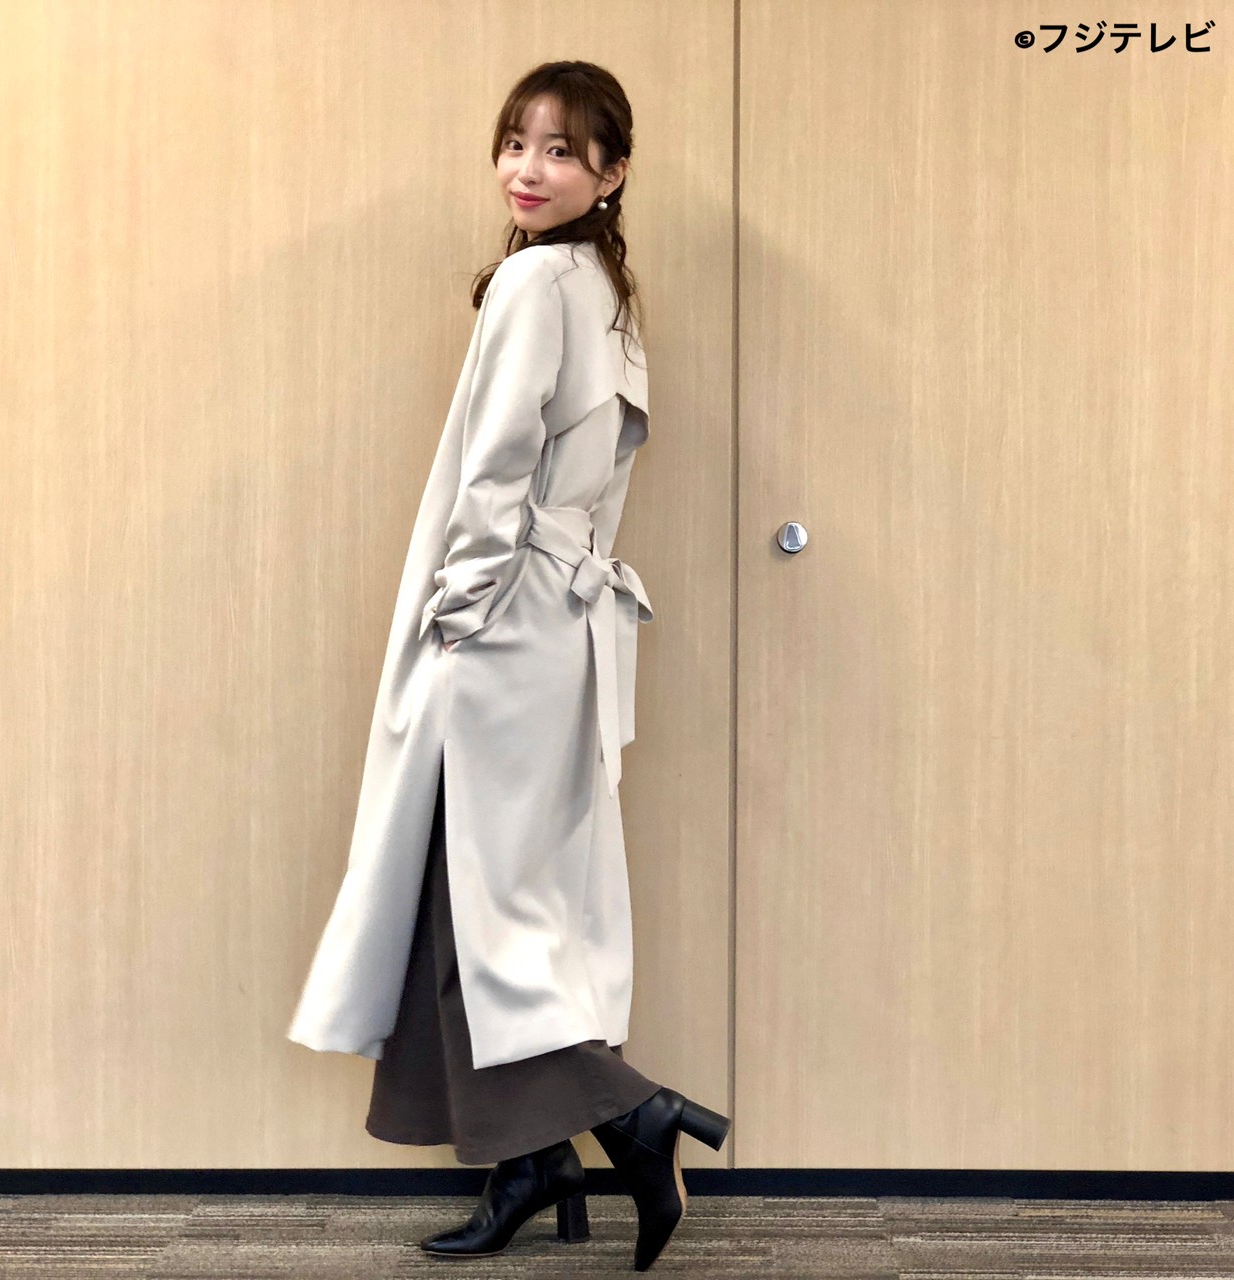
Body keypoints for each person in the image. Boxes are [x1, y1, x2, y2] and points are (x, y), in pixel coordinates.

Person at [286, 60, 730, 1272]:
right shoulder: (601, 286)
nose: (528, 169)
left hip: (505, 619)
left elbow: (496, 463)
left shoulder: (537, 279)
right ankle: (531, 1161)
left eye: (562, 150)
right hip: (561, 625)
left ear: (612, 171)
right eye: (515, 143)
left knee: (478, 897)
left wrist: (460, 608)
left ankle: (632, 1115)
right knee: (488, 898)